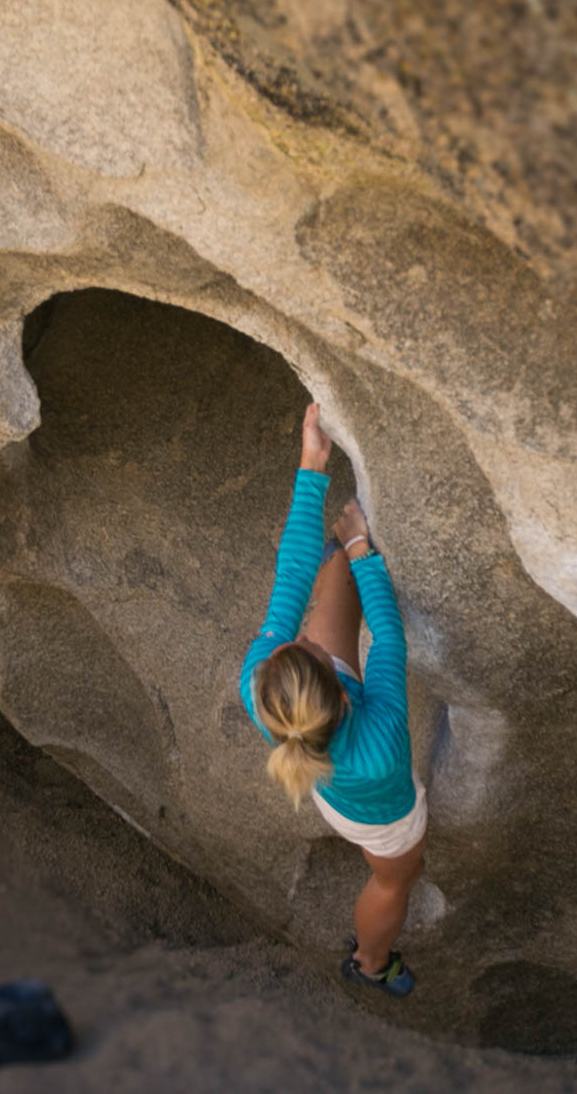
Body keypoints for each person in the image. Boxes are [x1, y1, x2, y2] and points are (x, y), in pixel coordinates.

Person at [239, 402, 427, 997]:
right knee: (396, 880)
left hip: (327, 774)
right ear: (347, 696)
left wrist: (312, 463)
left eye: (294, 645)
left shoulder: (262, 685)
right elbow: (390, 638)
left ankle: (336, 558)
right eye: (308, 647)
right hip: (380, 820)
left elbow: (287, 579)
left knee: (321, 579)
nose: (298, 637)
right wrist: (362, 552)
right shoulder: (380, 743)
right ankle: (371, 962)